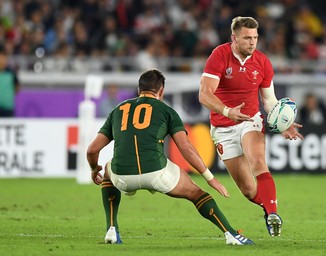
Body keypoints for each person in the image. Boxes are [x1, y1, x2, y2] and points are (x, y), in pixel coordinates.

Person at [87, 69, 253, 245]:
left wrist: (92, 169)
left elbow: (92, 150)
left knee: (107, 169)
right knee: (196, 193)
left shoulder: (117, 110)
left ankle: (112, 230)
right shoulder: (167, 111)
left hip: (123, 178)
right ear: (161, 91)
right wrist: (210, 178)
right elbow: (186, 148)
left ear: (138, 90)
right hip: (157, 174)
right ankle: (231, 235)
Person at [199, 16, 304, 237]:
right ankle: (268, 208)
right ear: (234, 38)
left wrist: (282, 123)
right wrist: (228, 111)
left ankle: (273, 214)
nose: (252, 42)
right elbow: (205, 94)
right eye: (247, 38)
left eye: (255, 37)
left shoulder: (263, 62)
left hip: (251, 120)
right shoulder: (219, 55)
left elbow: (269, 100)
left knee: (258, 162)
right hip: (223, 127)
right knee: (248, 190)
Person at [0, 51, 20, 117]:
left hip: (7, 107)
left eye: (3, 58)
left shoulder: (11, 73)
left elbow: (17, 86)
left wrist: (7, 95)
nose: (1, 61)